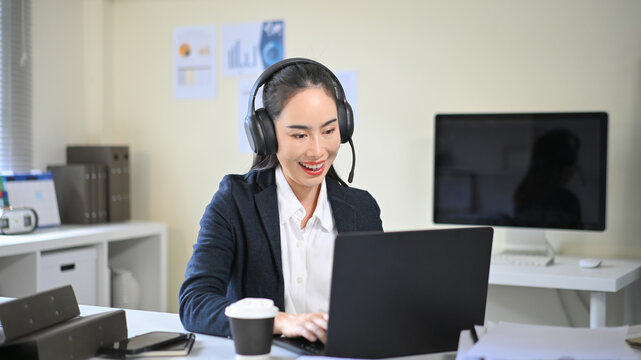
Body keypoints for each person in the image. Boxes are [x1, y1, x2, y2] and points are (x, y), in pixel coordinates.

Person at [178, 58, 383, 343]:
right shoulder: (234, 202)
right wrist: (279, 321)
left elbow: (380, 305)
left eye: (328, 131)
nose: (317, 150)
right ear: (266, 136)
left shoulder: (362, 209)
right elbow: (194, 303)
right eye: (300, 134)